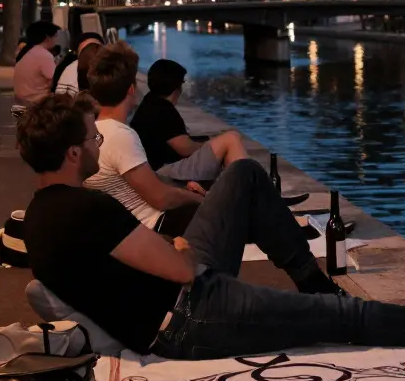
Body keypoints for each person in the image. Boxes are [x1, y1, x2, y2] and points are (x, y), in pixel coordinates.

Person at [17, 93, 405, 359]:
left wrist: (173, 250)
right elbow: (179, 271)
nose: (99, 145)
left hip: (173, 298)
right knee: (340, 318)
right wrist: (175, 249)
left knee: (241, 175)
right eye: (92, 139)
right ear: (71, 152)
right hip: (185, 319)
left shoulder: (41, 215)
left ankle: (311, 278)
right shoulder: (85, 210)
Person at [84, 42, 205, 234]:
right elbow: (161, 199)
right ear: (131, 89)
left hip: (127, 220)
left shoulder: (92, 130)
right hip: (152, 224)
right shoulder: (121, 136)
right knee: (224, 206)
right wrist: (198, 199)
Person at [131, 58, 248, 180]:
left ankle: (239, 187)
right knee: (232, 138)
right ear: (176, 88)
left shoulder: (150, 101)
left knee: (224, 142)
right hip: (163, 171)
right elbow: (185, 148)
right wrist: (208, 145)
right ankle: (250, 188)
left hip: (151, 168)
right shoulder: (164, 110)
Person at [13, 21, 62, 105]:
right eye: (55, 36)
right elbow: (56, 81)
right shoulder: (44, 55)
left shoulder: (28, 52)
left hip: (22, 100)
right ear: (47, 37)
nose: (56, 39)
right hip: (37, 102)